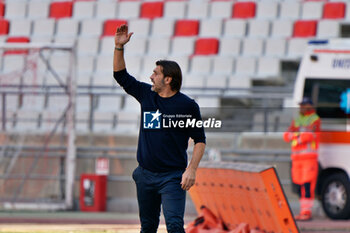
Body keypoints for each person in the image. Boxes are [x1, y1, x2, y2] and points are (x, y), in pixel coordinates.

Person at [113, 24, 206, 233]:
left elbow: (200, 140)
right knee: (148, 227)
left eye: (155, 73)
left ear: (168, 79)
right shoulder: (147, 95)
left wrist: (191, 169)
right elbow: (121, 76)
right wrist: (119, 47)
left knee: (174, 226)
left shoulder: (188, 106)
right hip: (145, 175)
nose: (151, 77)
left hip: (172, 177)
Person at [283, 97, 321, 221]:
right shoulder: (297, 120)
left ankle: (307, 212)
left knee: (307, 185)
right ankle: (302, 211)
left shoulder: (314, 119)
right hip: (296, 159)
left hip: (309, 158)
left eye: (304, 105)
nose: (302, 107)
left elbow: (308, 136)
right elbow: (286, 135)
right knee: (299, 186)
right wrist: (297, 136)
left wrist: (295, 137)